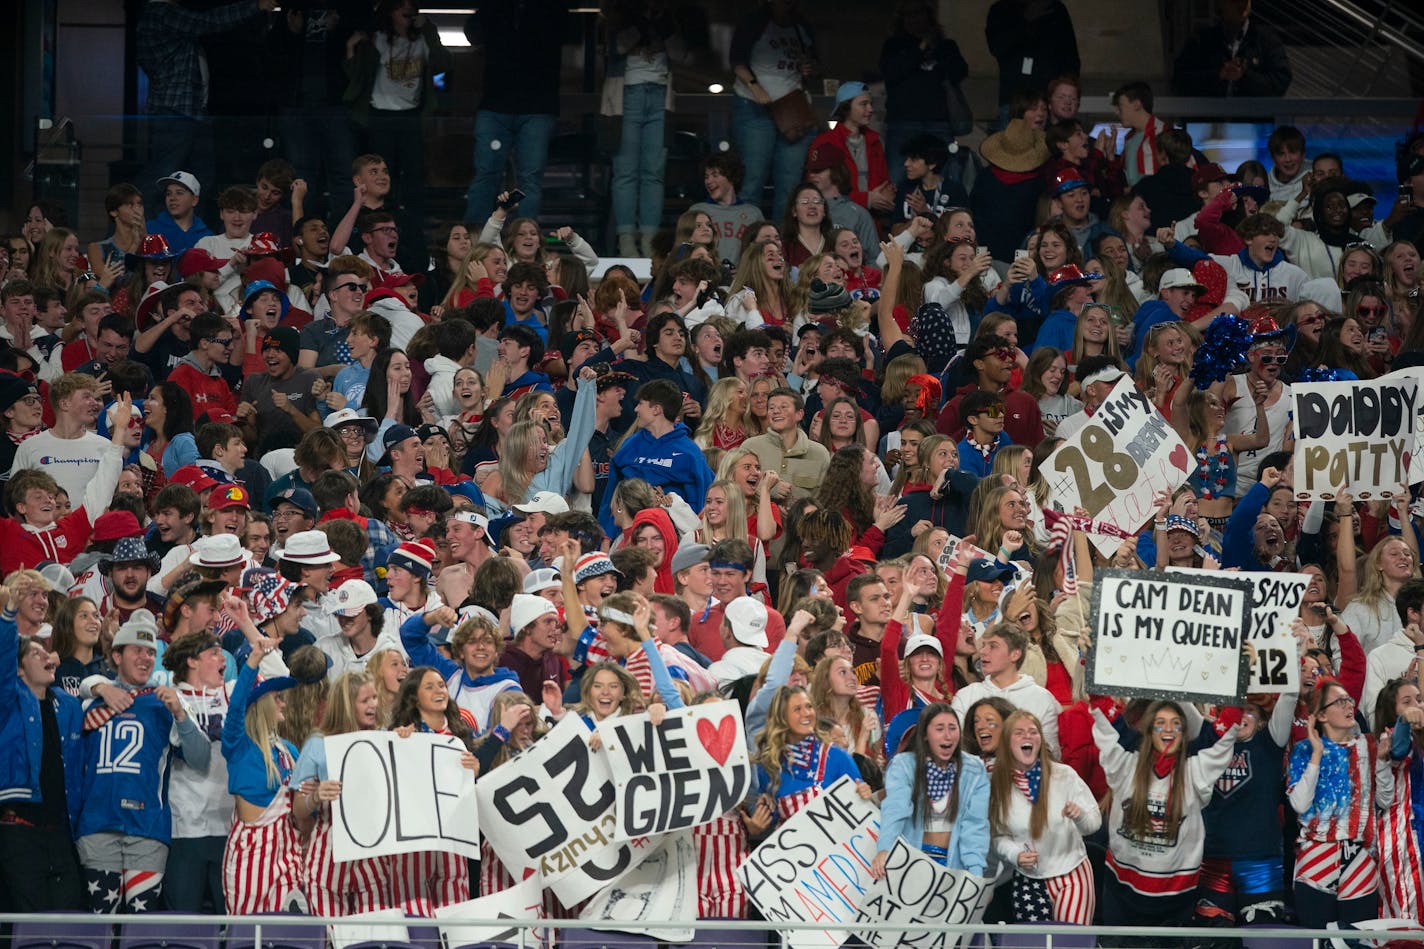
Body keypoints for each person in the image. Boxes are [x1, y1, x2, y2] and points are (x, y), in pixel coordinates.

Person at [76, 610, 211, 913]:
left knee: (140, 928)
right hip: (97, 825)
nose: (145, 658)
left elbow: (201, 759)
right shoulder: (91, 702)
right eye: (137, 650)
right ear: (116, 655)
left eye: (150, 652)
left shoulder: (167, 702)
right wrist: (98, 686)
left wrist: (181, 714)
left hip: (147, 829)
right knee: (101, 928)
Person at [1092, 701, 1239, 938]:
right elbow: (1107, 725)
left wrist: (1243, 683)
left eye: (1176, 724)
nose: (1168, 730)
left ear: (1184, 734)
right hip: (1122, 894)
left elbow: (1224, 737)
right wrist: (1094, 676)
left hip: (1175, 897)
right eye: (1160, 724)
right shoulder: (1126, 764)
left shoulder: (1195, 770)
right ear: (1149, 731)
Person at [0, 586, 87, 911]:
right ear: (19, 670)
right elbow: (2, 660)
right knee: (28, 920)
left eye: (47, 652)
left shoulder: (68, 705)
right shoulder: (9, 701)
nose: (48, 657)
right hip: (19, 829)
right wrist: (9, 615)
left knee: (69, 916)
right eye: (35, 654)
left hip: (62, 829)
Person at [1287, 680, 1384, 929]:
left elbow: (1384, 798)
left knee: (1358, 943)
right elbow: (1299, 804)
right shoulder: (1304, 750)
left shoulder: (1371, 746)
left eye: (1349, 700)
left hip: (1360, 855)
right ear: (1321, 715)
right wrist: (1317, 754)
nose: (1348, 705)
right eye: (1339, 702)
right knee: (1317, 941)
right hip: (1316, 854)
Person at [989, 710, 1100, 923]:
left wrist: (1079, 817)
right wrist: (1015, 855)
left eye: (1033, 732)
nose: (1027, 737)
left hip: (1072, 873)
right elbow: (997, 837)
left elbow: (1094, 824)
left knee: (1067, 944)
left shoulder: (1064, 775)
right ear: (1007, 742)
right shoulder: (998, 784)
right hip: (1028, 879)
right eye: (1019, 733)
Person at [729, 0, 820, 218]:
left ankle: (781, 245)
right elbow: (736, 60)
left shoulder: (801, 24)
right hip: (755, 107)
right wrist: (755, 87)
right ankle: (749, 243)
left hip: (792, 111)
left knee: (789, 186)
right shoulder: (755, 21)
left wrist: (810, 68)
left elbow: (814, 61)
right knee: (752, 180)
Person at [873, 702, 988, 873]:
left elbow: (975, 825)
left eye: (952, 728)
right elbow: (895, 809)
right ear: (925, 734)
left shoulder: (974, 769)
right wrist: (885, 848)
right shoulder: (904, 765)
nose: (948, 736)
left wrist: (976, 872)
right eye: (940, 729)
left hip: (954, 865)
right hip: (911, 863)